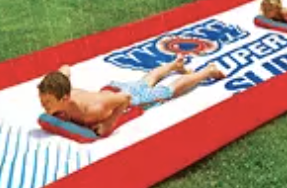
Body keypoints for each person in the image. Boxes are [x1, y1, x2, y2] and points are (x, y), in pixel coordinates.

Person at [37, 56, 225, 138]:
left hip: (124, 96)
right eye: (43, 101)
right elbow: (66, 68)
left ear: (64, 99)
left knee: (169, 91)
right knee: (144, 81)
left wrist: (110, 123)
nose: (43, 105)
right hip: (112, 89)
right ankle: (173, 65)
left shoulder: (92, 110)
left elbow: (125, 98)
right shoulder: (64, 88)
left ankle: (207, 72)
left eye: (47, 103)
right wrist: (58, 77)